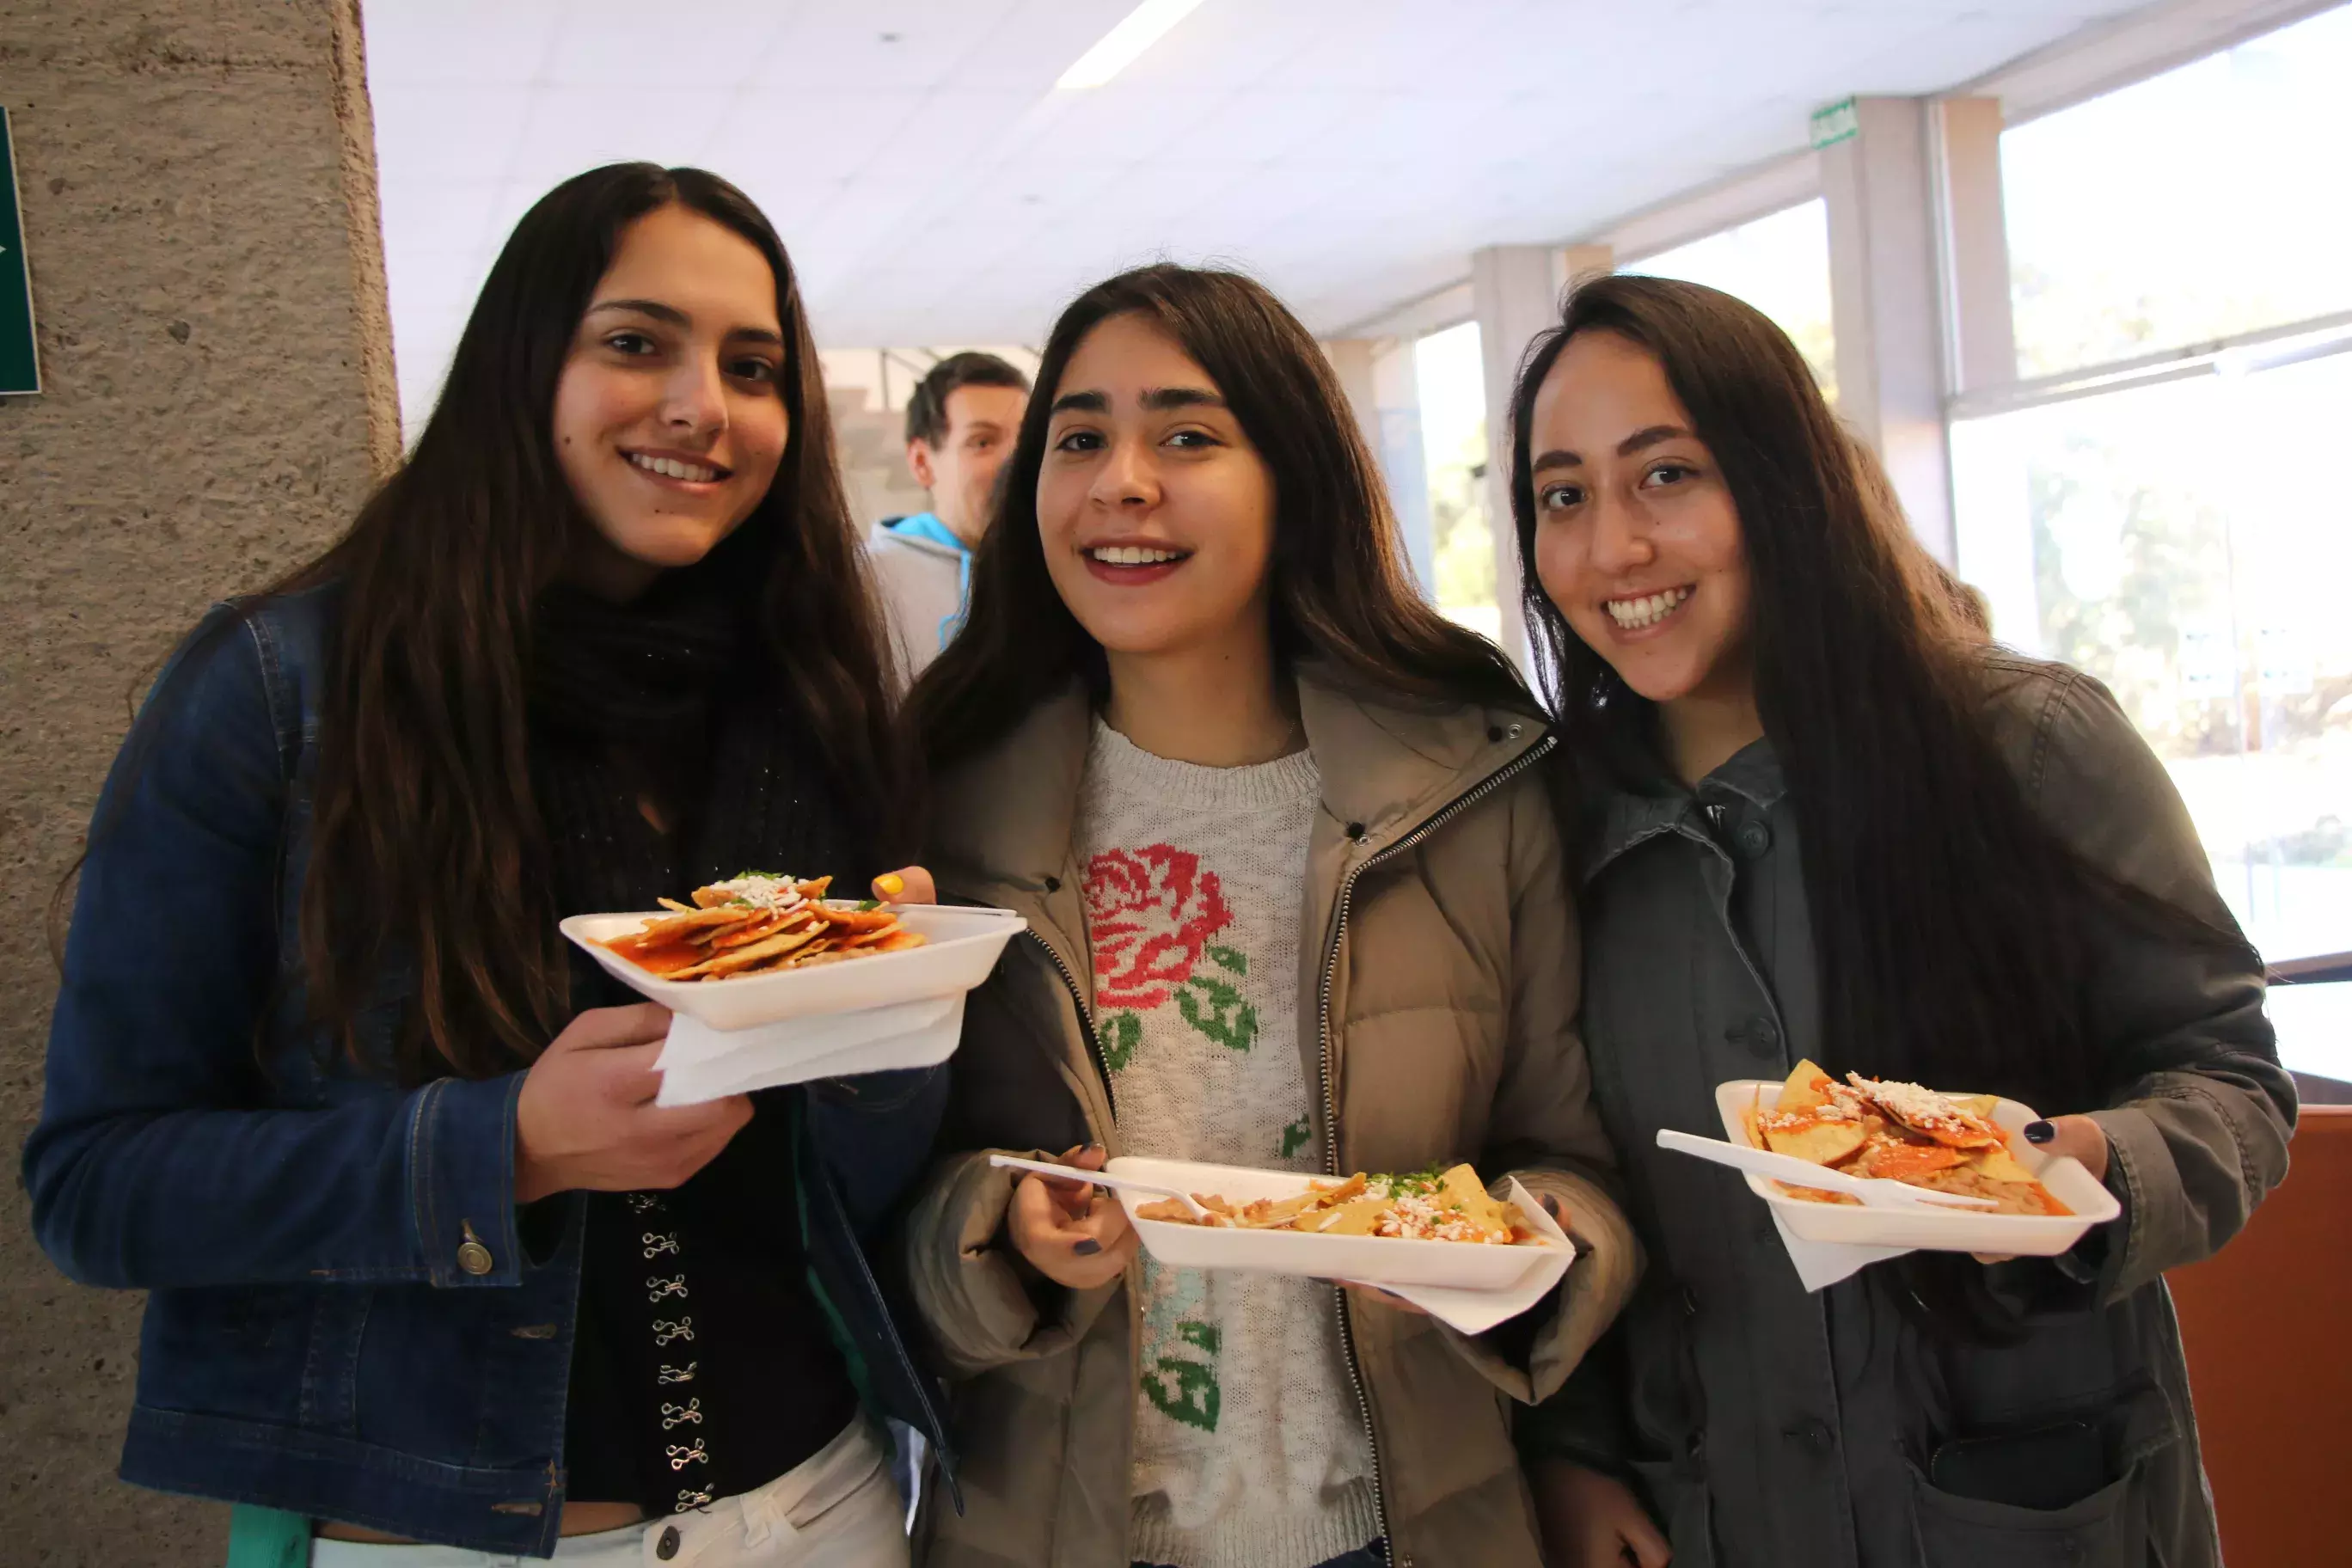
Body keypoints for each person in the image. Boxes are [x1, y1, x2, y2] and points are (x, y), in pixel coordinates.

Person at [24, 164, 954, 1565]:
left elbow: (848, 1188)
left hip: (825, 1502)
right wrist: (498, 1142)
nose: (703, 401)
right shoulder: (284, 689)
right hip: (448, 1535)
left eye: (752, 364)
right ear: (522, 363)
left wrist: (895, 1025)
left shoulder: (808, 699)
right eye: (636, 342)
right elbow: (99, 1188)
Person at [1503, 274, 2294, 1568]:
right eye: (1563, 496)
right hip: (1711, 1512)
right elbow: (1547, 1163)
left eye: (1667, 476)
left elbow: (2229, 1081)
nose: (1612, 550)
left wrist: (2072, 1159)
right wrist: (1573, 1456)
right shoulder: (1551, 823)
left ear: (1782, 483)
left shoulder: (2023, 744)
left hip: (2023, 1511)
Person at [897, 264, 1642, 1568]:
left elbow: (1571, 1156)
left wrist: (1531, 1244)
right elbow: (869, 1210)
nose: (1123, 479)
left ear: (1290, 476)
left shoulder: (1470, 793)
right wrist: (996, 1232)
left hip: (1405, 1524)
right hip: (1059, 1528)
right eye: (1079, 439)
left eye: (1188, 435)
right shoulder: (943, 811)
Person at [868, 351, 1032, 677]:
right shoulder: (863, 586)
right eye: (983, 442)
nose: (1019, 462)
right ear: (922, 463)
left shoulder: (1060, 571)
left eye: (1029, 440)